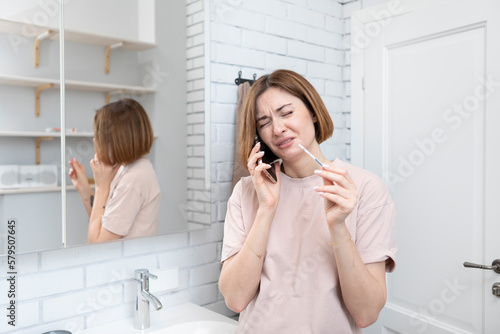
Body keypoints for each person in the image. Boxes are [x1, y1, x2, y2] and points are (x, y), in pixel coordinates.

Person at [219, 70, 397, 333]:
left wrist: (338, 227)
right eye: (264, 122)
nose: (278, 128)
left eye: (286, 113)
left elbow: (366, 313)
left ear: (313, 112)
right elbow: (235, 299)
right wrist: (266, 210)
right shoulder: (247, 191)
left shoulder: (366, 189)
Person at [69, 98, 161, 243]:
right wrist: (84, 189)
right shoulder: (128, 169)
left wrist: (101, 187)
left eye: (99, 136)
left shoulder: (133, 179)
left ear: (116, 139)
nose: (95, 140)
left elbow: (97, 244)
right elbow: (102, 225)